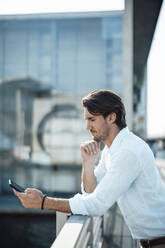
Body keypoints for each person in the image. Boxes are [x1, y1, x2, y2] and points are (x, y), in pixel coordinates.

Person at [13, 89, 165, 248]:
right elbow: (91, 191)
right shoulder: (111, 150)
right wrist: (88, 162)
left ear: (111, 117)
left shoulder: (128, 152)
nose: (87, 127)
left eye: (92, 119)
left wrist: (43, 202)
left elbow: (97, 204)